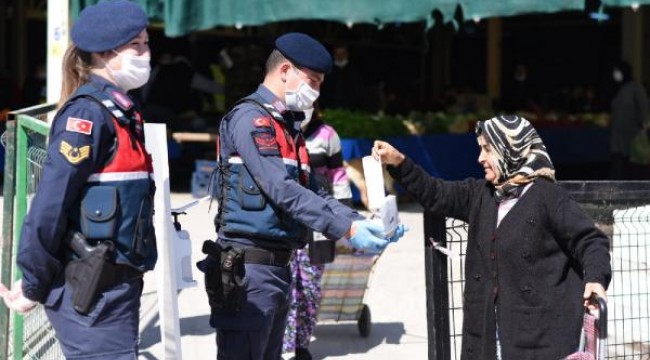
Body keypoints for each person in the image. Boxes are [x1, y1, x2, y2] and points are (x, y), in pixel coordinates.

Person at [199, 32, 404, 360]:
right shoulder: (253, 119)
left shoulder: (286, 128)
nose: (316, 91)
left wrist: (361, 223)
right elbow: (281, 188)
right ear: (284, 71)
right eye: (312, 81)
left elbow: (316, 191)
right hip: (250, 269)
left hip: (278, 268)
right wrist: (347, 230)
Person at [373, 115, 611, 360]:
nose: (480, 158)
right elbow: (436, 193)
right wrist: (399, 162)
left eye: (487, 149)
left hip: (538, 341)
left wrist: (596, 278)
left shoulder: (548, 197)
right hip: (487, 337)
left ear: (511, 148)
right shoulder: (481, 194)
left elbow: (590, 241)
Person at [0, 1, 156, 358]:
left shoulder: (120, 111)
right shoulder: (88, 115)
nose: (146, 53)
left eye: (147, 43)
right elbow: (48, 206)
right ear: (104, 52)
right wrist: (34, 282)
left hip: (115, 288)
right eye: (137, 45)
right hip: (92, 294)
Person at [282, 103, 353, 360]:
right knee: (287, 284)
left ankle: (301, 342)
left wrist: (346, 219)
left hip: (319, 219)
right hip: (286, 219)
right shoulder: (280, 131)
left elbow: (338, 176)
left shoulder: (328, 135)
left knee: (310, 287)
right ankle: (286, 346)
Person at [609, 61, 650, 179]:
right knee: (619, 171)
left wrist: (641, 127)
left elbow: (643, 110)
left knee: (635, 172)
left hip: (633, 139)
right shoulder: (619, 89)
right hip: (618, 140)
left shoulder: (636, 88)